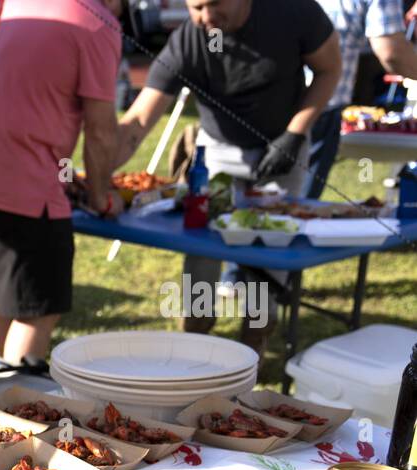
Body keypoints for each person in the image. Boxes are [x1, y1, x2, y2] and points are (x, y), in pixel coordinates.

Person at [117, 0, 341, 351]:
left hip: (282, 148)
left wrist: (296, 133)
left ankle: (253, 353)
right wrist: (99, 168)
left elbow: (330, 69)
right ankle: (193, 345)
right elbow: (140, 119)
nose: (206, 17)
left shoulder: (294, 11)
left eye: (215, 3)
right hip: (218, 153)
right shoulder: (189, 41)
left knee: (264, 257)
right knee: (203, 246)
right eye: (196, 7)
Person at [0, 0, 124, 366]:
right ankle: (10, 411)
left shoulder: (14, 5)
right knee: (36, 312)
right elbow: (100, 131)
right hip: (29, 191)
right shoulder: (97, 24)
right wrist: (101, 197)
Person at [307, 0, 417, 198]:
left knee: (261, 201)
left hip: (273, 94)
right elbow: (392, 53)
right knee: (292, 207)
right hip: (319, 104)